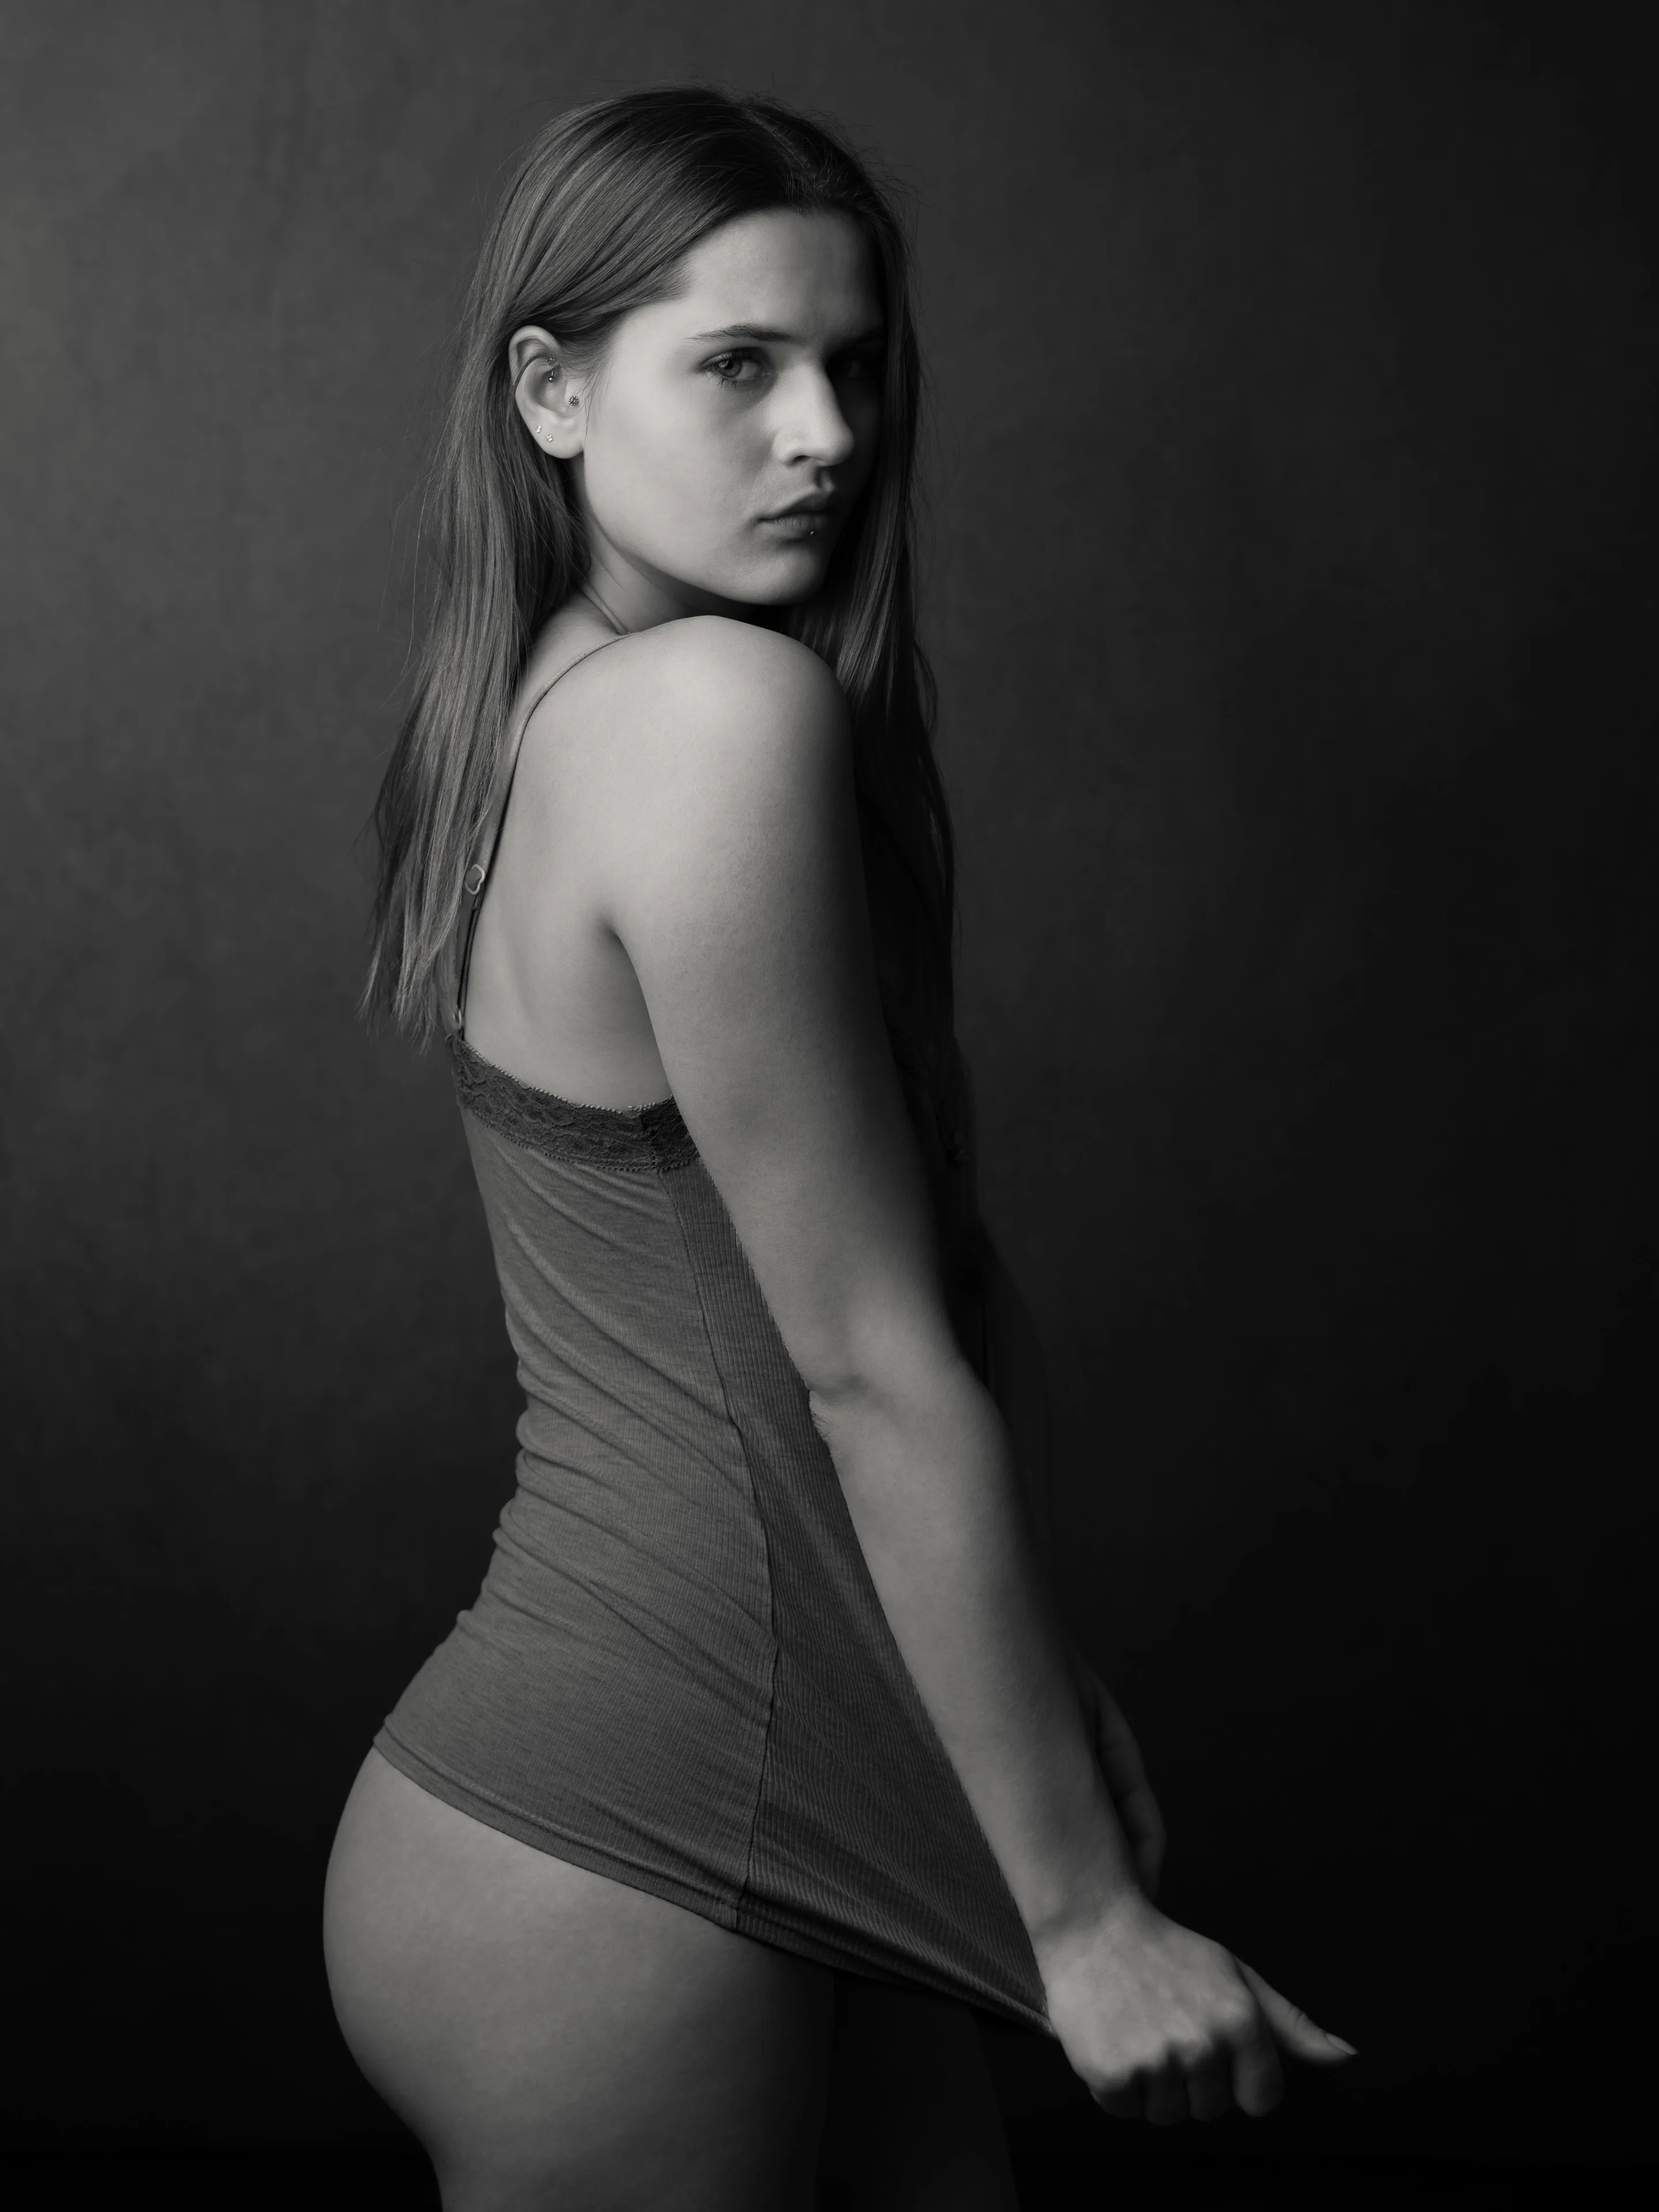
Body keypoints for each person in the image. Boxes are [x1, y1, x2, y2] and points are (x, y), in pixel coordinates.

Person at [322, 85, 1352, 2212]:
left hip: (679, 1796)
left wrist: (1017, 1707)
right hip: (627, 1847)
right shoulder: (708, 716)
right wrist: (1084, 1917)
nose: (828, 435)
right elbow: (869, 1363)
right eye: (739, 363)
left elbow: (806, 1330)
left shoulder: (557, 706)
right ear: (552, 393)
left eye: (855, 367)